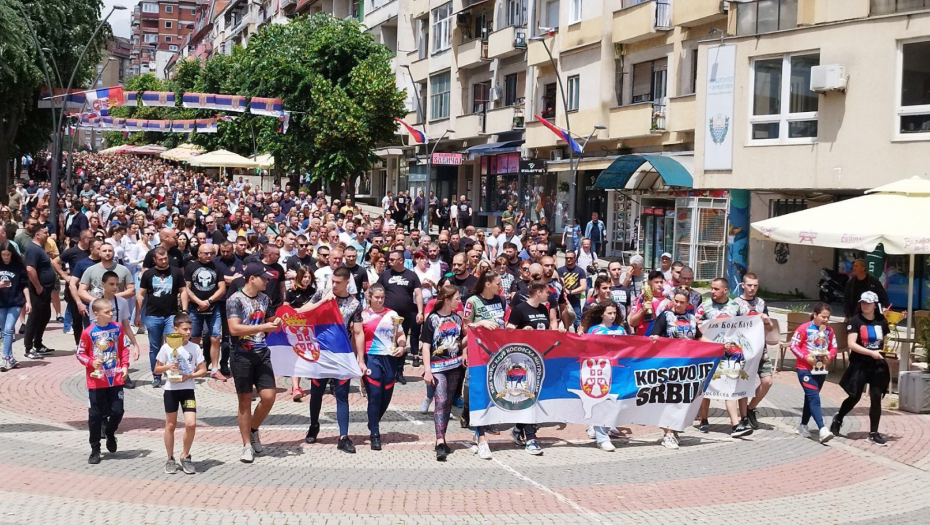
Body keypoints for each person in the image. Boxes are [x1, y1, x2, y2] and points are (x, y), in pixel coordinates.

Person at [303, 267, 364, 453]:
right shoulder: (322, 293)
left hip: (341, 354)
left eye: (338, 282)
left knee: (342, 395)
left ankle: (343, 436)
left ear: (347, 282)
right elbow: (304, 311)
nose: (334, 285)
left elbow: (359, 331)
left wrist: (360, 359)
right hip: (320, 352)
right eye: (333, 281)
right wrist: (322, 301)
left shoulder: (354, 303)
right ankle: (314, 425)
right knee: (316, 392)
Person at [227, 263, 283, 463]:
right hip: (241, 354)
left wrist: (279, 321)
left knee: (269, 396)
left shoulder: (265, 298)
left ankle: (252, 429)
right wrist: (264, 325)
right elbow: (234, 329)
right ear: (252, 278)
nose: (267, 281)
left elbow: (270, 320)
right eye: (264, 278)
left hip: (262, 352)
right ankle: (246, 445)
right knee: (244, 401)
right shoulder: (235, 300)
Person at [832, 291, 892, 445]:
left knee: (876, 397)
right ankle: (838, 418)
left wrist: (886, 353)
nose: (865, 305)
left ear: (875, 305)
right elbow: (852, 344)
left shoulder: (881, 321)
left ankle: (873, 432)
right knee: (854, 396)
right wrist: (871, 353)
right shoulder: (855, 320)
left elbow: (884, 342)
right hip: (860, 364)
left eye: (868, 302)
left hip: (877, 365)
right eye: (863, 302)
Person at [506, 279, 558, 455]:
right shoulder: (520, 310)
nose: (548, 295)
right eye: (546, 292)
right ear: (538, 292)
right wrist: (523, 331)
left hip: (540, 358)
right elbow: (508, 331)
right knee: (529, 397)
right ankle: (530, 438)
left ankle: (519, 429)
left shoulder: (543, 309)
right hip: (523, 360)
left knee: (537, 398)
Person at [76, 298, 130, 465]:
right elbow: (80, 353)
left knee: (117, 411)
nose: (111, 314)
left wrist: (125, 366)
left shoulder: (117, 327)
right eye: (107, 312)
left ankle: (110, 431)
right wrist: (91, 362)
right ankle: (95, 448)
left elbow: (123, 347)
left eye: (111, 311)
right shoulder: (88, 332)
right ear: (96, 314)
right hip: (96, 380)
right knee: (95, 415)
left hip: (115, 378)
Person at [649, 287, 702, 449]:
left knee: (681, 399)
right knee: (669, 398)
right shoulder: (665, 316)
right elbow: (655, 335)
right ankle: (668, 433)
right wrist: (654, 339)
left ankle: (675, 429)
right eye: (676, 301)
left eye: (682, 302)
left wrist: (718, 346)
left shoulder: (692, 318)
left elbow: (699, 338)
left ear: (687, 304)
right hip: (669, 364)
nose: (678, 304)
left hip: (687, 366)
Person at [153, 313, 206, 474]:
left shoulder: (195, 347)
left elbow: (203, 369)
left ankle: (185, 455)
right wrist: (168, 367)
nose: (188, 332)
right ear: (175, 329)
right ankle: (170, 458)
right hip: (171, 390)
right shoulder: (167, 347)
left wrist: (190, 375)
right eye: (185, 329)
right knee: (170, 424)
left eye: (190, 329)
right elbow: (156, 369)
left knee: (191, 423)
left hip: (188, 390)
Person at [694, 278, 748, 437]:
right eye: (711, 288)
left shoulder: (736, 307)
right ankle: (704, 419)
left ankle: (735, 424)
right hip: (708, 353)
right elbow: (694, 324)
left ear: (725, 290)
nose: (712, 291)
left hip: (729, 354)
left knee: (730, 386)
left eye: (716, 289)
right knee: (707, 387)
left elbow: (746, 325)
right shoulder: (704, 306)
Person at [463, 270, 506, 459]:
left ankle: (485, 423)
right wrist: (480, 323)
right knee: (478, 389)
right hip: (479, 352)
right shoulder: (473, 301)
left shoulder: (501, 300)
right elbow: (465, 326)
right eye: (497, 282)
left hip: (499, 352)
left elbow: (505, 323)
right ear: (488, 283)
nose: (500, 286)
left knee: (495, 390)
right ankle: (480, 435)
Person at [420, 283, 465, 461]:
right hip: (438, 366)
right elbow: (426, 345)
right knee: (441, 399)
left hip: (454, 365)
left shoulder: (457, 319)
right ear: (447, 300)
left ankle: (443, 436)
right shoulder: (432, 319)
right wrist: (427, 370)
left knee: (447, 404)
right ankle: (439, 440)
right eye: (456, 298)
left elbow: (461, 340)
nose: (459, 301)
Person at [358, 284, 405, 450]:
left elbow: (400, 335)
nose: (379, 300)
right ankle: (375, 435)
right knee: (375, 395)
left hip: (389, 359)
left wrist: (402, 345)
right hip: (371, 357)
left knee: (386, 396)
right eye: (376, 297)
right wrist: (359, 360)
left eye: (382, 297)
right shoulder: (362, 315)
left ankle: (373, 422)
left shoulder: (392, 314)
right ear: (370, 297)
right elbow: (357, 339)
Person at [136, 247, 188, 388]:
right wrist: (137, 315)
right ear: (154, 260)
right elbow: (140, 294)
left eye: (165, 258)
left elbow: (183, 291)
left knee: (172, 345)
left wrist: (184, 310)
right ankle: (156, 375)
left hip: (170, 314)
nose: (164, 261)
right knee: (154, 347)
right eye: (160, 259)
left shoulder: (176, 272)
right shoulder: (148, 274)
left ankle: (171, 372)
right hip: (152, 315)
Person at [579, 300, 626, 452]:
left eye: (614, 313)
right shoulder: (594, 330)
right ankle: (602, 437)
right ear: (601, 314)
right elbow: (586, 348)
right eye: (609, 313)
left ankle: (606, 427)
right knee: (600, 401)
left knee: (614, 402)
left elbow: (630, 347)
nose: (612, 316)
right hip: (600, 371)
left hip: (617, 371)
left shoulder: (620, 329)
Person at [789, 302, 838, 443]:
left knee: (810, 398)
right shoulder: (804, 328)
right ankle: (822, 429)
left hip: (821, 369)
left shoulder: (829, 330)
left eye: (828, 317)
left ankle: (803, 425)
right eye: (823, 317)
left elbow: (834, 347)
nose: (826, 320)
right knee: (814, 397)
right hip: (804, 369)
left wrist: (829, 356)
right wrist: (805, 357)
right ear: (815, 314)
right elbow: (793, 345)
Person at [733, 272, 774, 429]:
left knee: (767, 381)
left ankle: (751, 408)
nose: (752, 288)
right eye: (749, 285)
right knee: (743, 383)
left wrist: (767, 321)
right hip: (743, 350)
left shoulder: (761, 303)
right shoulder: (735, 303)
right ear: (743, 285)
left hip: (760, 348)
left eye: (755, 285)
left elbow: (769, 328)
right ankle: (743, 416)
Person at [378, 249, 423, 385]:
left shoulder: (411, 275)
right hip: (386, 316)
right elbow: (377, 292)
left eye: (392, 259)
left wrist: (420, 311)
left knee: (402, 343)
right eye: (389, 259)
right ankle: (387, 370)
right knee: (387, 341)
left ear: (401, 260)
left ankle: (399, 371)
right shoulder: (385, 275)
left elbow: (418, 293)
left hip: (405, 316)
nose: (389, 261)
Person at [184, 244, 227, 381]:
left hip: (213, 307)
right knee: (194, 337)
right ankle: (195, 367)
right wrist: (198, 301)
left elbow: (222, 288)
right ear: (199, 254)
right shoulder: (190, 267)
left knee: (215, 337)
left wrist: (208, 301)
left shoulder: (217, 267)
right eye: (206, 253)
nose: (209, 256)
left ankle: (214, 368)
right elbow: (186, 288)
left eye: (211, 253)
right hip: (194, 307)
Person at [23, 224, 56, 359]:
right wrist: (38, 287)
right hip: (38, 290)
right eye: (45, 232)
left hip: (45, 290)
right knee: (35, 317)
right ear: (37, 234)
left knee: (45, 315)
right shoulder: (32, 249)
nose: (47, 234)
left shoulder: (40, 248)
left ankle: (38, 344)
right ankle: (28, 347)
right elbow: (30, 269)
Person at [0, 241, 29, 371]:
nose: (6, 257)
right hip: (1, 302)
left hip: (15, 301)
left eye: (8, 254)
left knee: (8, 329)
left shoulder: (18, 266)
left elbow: (24, 284)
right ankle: (11, 357)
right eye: (3, 254)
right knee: (4, 331)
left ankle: (5, 357)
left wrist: (28, 301)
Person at [558, 250, 587, 329]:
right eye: (566, 258)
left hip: (575, 299)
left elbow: (583, 286)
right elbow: (561, 284)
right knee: (560, 319)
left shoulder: (580, 271)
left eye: (570, 258)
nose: (568, 260)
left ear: (574, 258)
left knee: (577, 320)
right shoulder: (560, 270)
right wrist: (565, 291)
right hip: (562, 299)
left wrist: (570, 292)